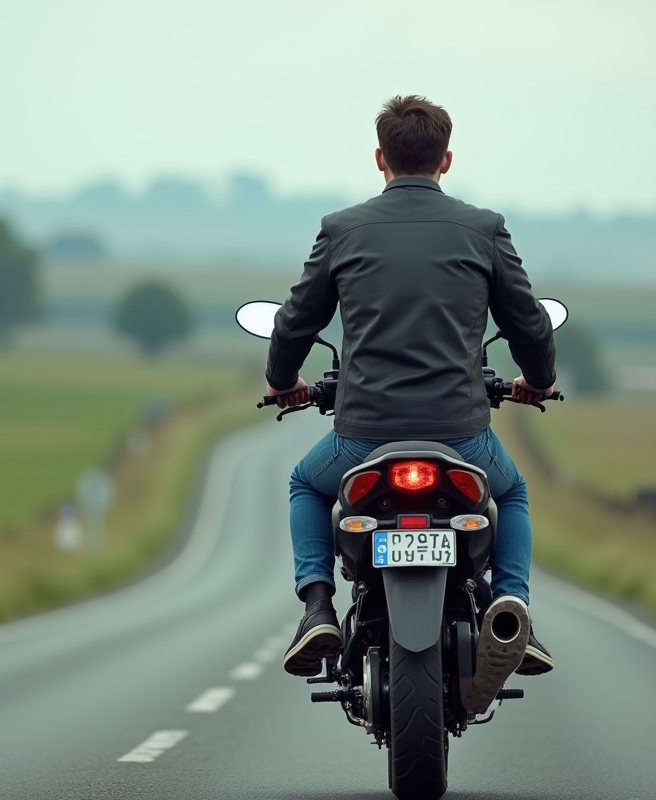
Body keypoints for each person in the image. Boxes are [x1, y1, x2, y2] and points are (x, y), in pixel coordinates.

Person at [265, 95, 557, 701]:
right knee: (513, 490)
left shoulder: (342, 230)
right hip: (462, 437)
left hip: (362, 438)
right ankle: (513, 609)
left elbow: (294, 324)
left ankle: (318, 608)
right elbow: (530, 325)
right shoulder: (484, 230)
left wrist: (280, 382)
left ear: (380, 158)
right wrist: (540, 380)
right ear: (446, 160)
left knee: (304, 483)